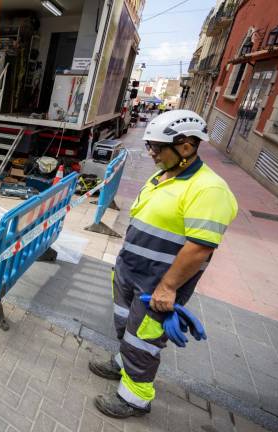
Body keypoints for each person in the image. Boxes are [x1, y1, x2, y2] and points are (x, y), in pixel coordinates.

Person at [89, 110, 237, 418]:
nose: (151, 153)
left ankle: (135, 399)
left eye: (157, 147)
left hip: (157, 284)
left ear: (186, 147)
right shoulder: (163, 175)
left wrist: (168, 288)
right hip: (131, 272)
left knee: (143, 341)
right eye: (150, 145)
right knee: (127, 329)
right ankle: (122, 365)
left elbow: (199, 248)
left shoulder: (209, 189)